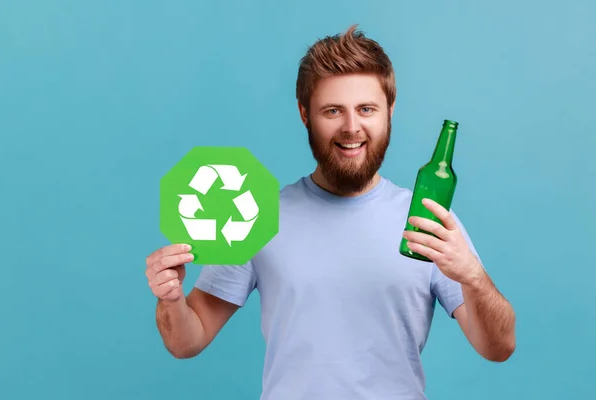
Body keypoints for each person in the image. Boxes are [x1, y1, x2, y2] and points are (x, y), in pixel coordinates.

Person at [145, 24, 516, 400]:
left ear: (390, 110)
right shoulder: (256, 216)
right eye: (333, 110)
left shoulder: (426, 219)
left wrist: (472, 276)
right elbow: (187, 341)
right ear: (305, 114)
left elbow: (498, 348)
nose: (351, 128)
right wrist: (171, 299)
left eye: (366, 109)